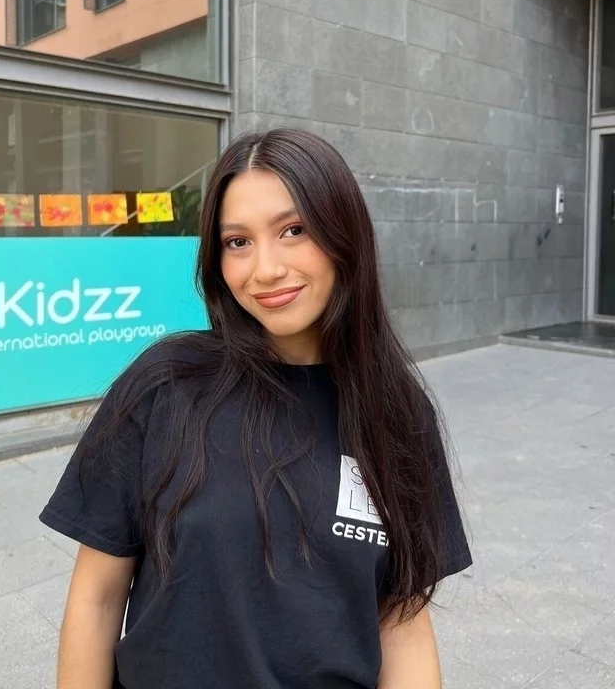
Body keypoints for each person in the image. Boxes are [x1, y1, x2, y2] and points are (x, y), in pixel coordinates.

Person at [40, 128, 472, 689]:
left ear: (345, 234)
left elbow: (402, 621)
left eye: (294, 230)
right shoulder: (166, 385)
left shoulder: (397, 414)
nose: (265, 269)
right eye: (238, 241)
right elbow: (96, 599)